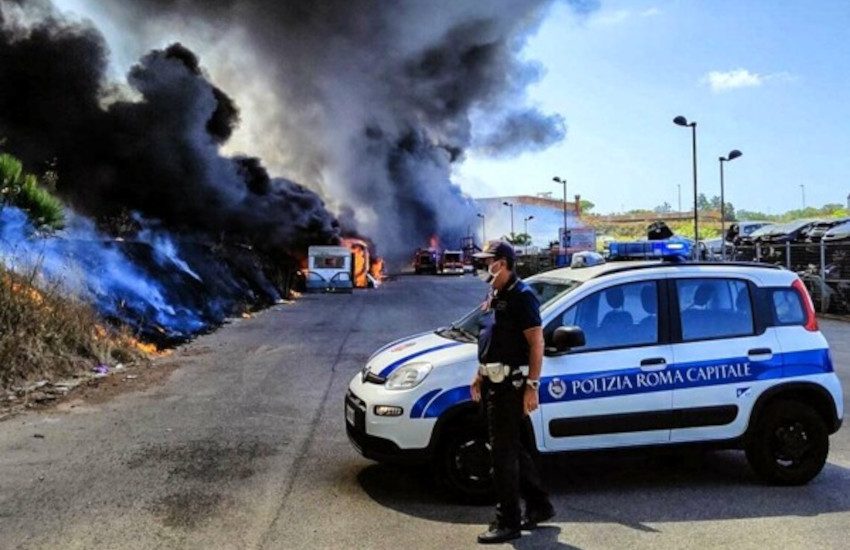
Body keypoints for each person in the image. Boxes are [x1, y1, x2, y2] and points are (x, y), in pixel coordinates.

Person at [471, 241, 554, 544]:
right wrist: (479, 373)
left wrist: (532, 386)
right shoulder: (496, 293)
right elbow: (490, 338)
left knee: (503, 456)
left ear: (502, 263)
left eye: (486, 260)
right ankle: (539, 505)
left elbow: (536, 343)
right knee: (514, 449)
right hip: (494, 382)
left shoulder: (522, 296)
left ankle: (507, 522)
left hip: (511, 387)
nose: (482, 266)